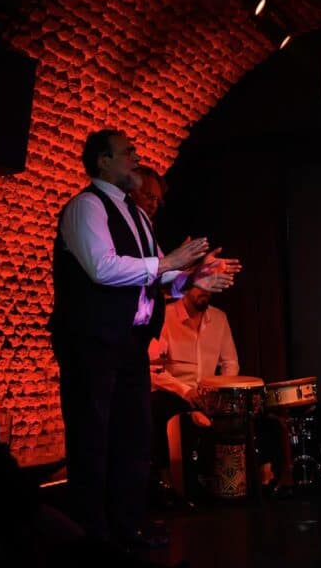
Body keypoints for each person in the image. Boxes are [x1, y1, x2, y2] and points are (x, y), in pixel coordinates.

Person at [48, 128, 239, 552]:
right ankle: (92, 535)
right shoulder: (86, 207)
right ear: (102, 161)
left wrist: (193, 277)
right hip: (93, 342)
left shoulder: (137, 215)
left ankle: (128, 526)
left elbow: (153, 277)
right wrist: (169, 262)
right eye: (127, 152)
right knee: (93, 437)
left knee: (133, 437)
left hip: (130, 343)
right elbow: (103, 268)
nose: (136, 157)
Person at [147, 286, 239, 504]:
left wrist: (220, 390)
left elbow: (230, 363)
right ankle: (165, 481)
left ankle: (227, 480)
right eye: (200, 285)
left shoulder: (219, 318)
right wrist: (185, 390)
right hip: (175, 390)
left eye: (209, 285)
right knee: (153, 407)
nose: (205, 290)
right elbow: (153, 369)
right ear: (186, 286)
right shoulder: (166, 316)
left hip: (208, 393)